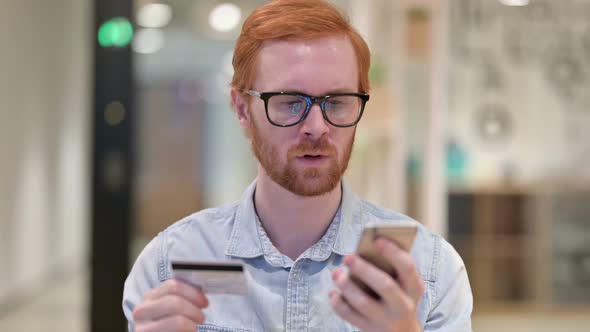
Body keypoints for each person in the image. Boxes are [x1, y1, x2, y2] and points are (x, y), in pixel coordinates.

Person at [123, 0, 473, 331]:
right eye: (290, 102)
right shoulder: (168, 265)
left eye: (337, 102)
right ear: (242, 108)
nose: (317, 127)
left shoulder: (431, 270)